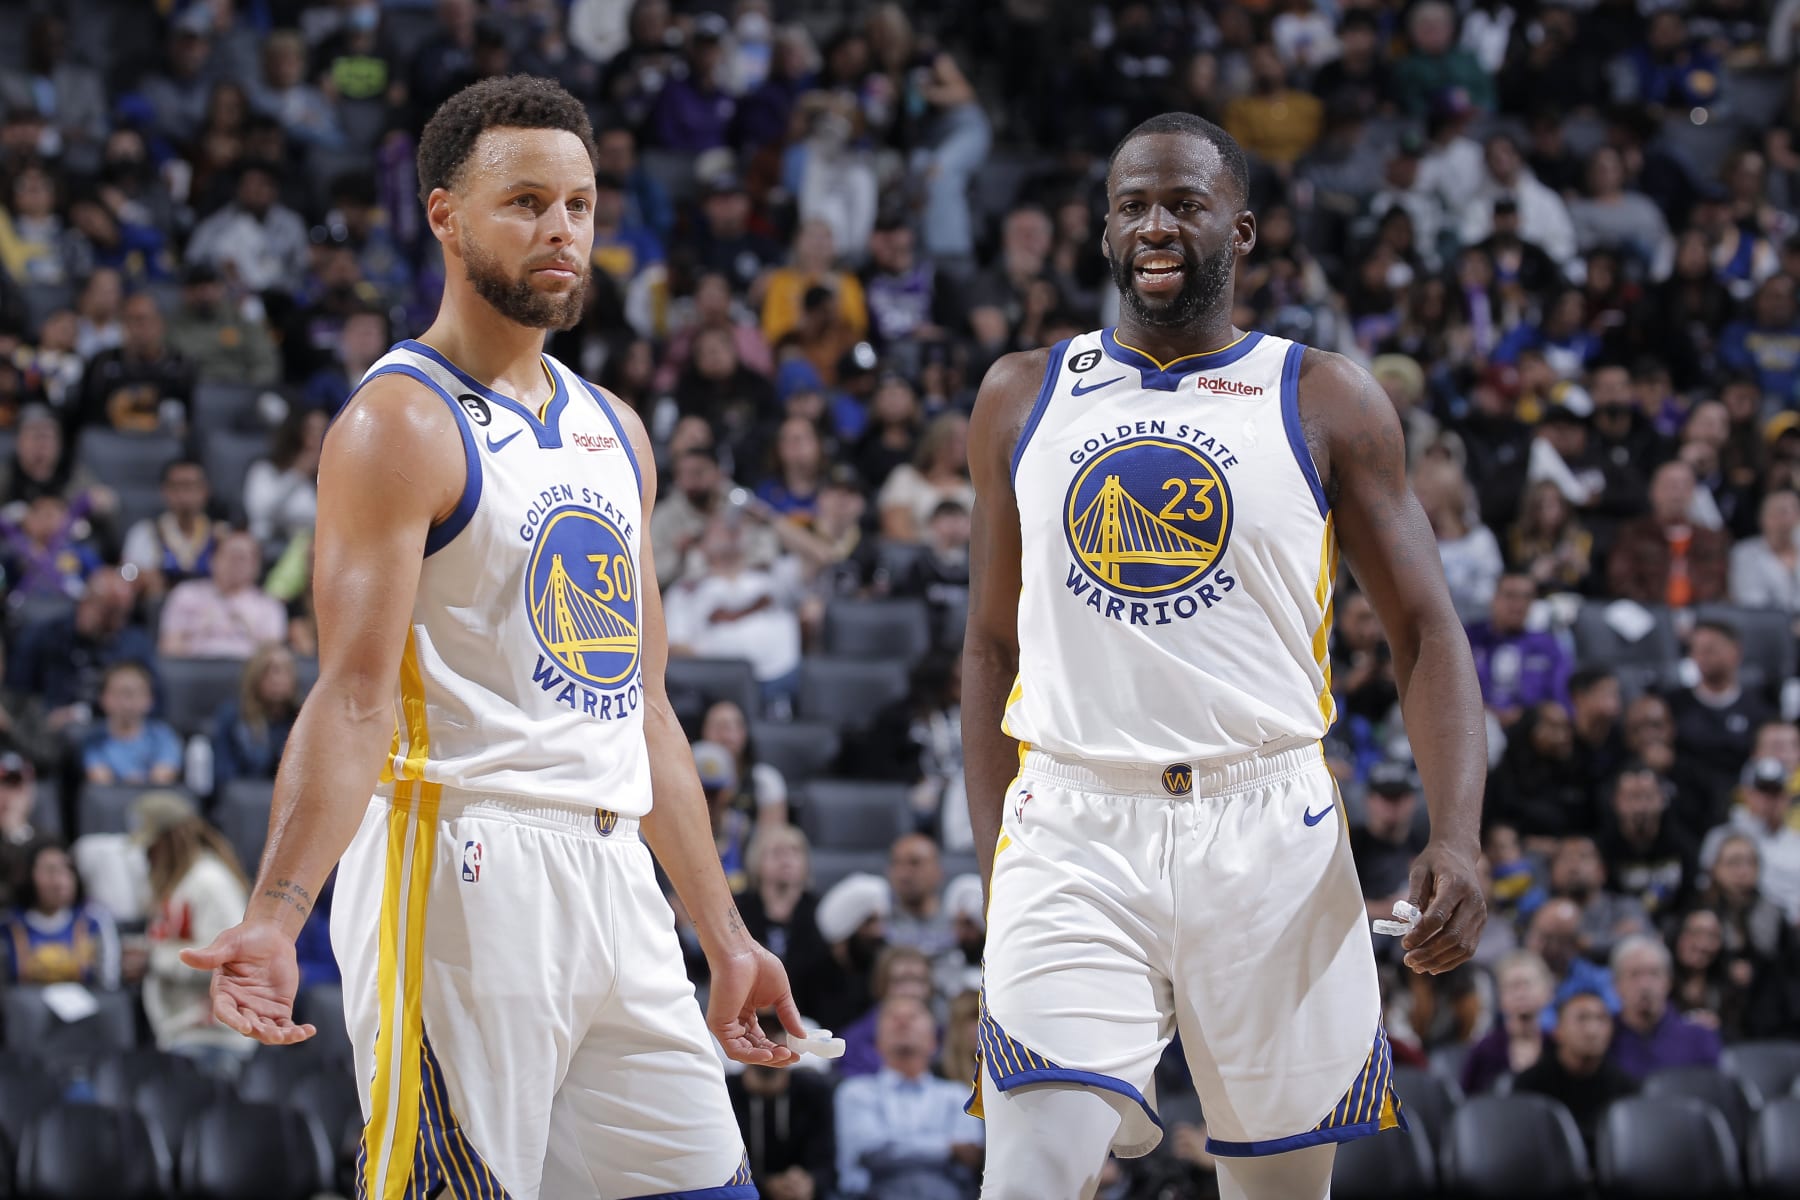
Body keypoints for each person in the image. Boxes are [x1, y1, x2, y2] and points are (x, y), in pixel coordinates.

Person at [180, 77, 800, 1200]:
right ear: (444, 216)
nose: (561, 230)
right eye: (524, 202)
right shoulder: (398, 421)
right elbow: (352, 698)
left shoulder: (617, 430)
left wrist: (724, 933)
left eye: (579, 204)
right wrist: (277, 916)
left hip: (617, 877)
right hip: (461, 866)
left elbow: (644, 708)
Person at [962, 113, 1487, 1200]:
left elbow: (1428, 631)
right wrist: (991, 857)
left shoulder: (1326, 397)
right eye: (1132, 205)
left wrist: (1460, 836)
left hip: (1268, 828)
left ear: (1240, 231)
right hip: (1071, 823)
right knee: (1025, 1180)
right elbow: (990, 642)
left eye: (1184, 204)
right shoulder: (1022, 393)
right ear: (1104, 229)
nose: (1155, 225)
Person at [138, 790, 257, 1074]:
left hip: (211, 1037)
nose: (147, 857)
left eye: (151, 847)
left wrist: (152, 960)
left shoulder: (210, 882)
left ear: (169, 840)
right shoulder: (181, 883)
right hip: (184, 1035)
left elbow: (229, 959)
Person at [834, 995, 985, 1200]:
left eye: (913, 1016)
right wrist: (948, 1148)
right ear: (877, 1042)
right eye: (893, 1017)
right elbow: (871, 1152)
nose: (903, 1022)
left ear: (934, 1041)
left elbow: (970, 1155)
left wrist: (896, 1147)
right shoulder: (855, 1092)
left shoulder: (958, 1095)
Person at [1512, 979, 1638, 1151]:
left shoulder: (1626, 1089)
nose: (1592, 1030)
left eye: (1601, 1019)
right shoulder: (1529, 1085)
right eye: (1582, 1019)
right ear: (1558, 1030)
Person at [0, 839, 121, 987]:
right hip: (26, 1007)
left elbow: (108, 984)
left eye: (67, 870)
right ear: (28, 875)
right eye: (50, 871)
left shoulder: (94, 920)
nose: (61, 882)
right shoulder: (8, 925)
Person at [156, 530, 287, 660]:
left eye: (242, 558)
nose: (235, 563)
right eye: (229, 555)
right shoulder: (186, 594)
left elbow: (270, 658)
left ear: (256, 567)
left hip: (246, 674)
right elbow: (169, 649)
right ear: (212, 560)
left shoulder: (269, 606)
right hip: (196, 672)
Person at [1607, 933, 1721, 1080]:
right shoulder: (1605, 1040)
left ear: (1668, 982)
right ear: (1616, 985)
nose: (1645, 985)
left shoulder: (1699, 1037)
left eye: (1654, 974)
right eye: (1634, 975)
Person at [1459, 949, 1553, 1096]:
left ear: (1547, 992)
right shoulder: (1484, 1050)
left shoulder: (1558, 1046)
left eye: (1527, 984)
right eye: (1513, 986)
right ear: (1500, 997)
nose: (1521, 993)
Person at [83, 661, 182, 786]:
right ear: (103, 699)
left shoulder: (163, 736)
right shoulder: (94, 741)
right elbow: (101, 783)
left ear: (149, 699)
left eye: (132, 694)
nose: (126, 704)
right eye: (118, 694)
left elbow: (163, 778)